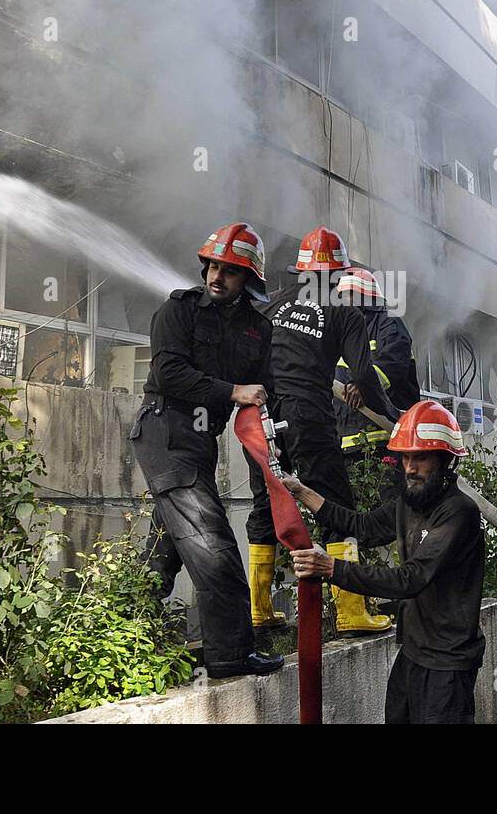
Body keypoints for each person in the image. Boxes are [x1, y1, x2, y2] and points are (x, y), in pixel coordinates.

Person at [130, 222, 283, 679]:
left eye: (230, 270)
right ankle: (230, 657)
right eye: (213, 265)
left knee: (164, 550)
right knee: (214, 548)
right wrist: (234, 390)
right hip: (166, 431)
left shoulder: (258, 329)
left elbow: (263, 390)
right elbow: (170, 373)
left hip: (200, 442)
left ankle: (117, 631)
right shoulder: (178, 311)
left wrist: (271, 451)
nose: (217, 276)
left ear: (248, 279)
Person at [283, 401, 485, 723]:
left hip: (448, 663)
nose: (409, 468)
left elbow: (411, 579)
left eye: (420, 458)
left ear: (445, 460)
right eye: (405, 457)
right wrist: (301, 492)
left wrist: (333, 569)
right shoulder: (409, 502)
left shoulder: (458, 512)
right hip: (413, 653)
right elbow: (362, 526)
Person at [245, 226, 402, 635]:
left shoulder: (269, 307)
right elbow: (364, 375)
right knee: (335, 504)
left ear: (300, 271)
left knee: (265, 504)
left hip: (260, 419)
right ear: (339, 275)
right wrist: (390, 414)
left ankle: (258, 612)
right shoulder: (343, 313)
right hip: (308, 416)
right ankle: (352, 612)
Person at [333, 268, 421, 508]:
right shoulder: (341, 332)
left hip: (386, 443)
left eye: (349, 295)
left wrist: (364, 386)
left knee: (390, 517)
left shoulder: (389, 324)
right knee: (354, 519)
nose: (343, 302)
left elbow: (392, 364)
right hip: (347, 446)